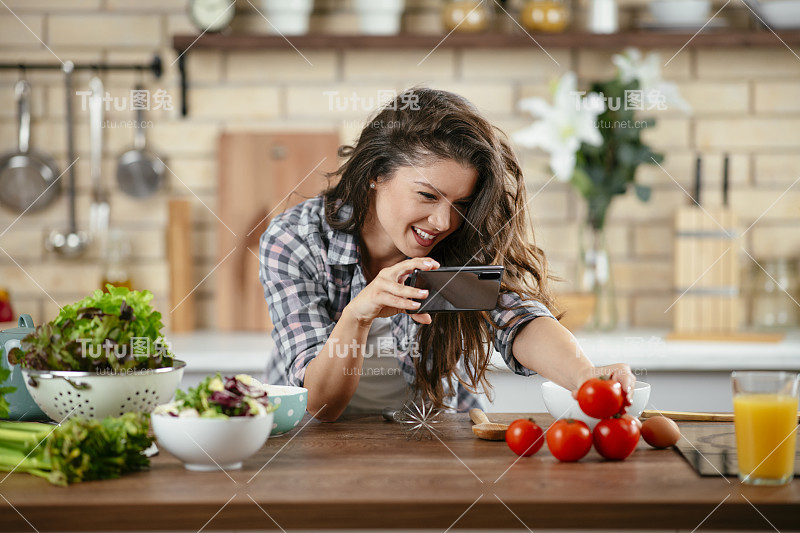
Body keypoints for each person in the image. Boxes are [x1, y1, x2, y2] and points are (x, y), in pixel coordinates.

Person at [260, 88, 634, 422]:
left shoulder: (466, 236)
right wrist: (359, 315)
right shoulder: (296, 238)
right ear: (375, 172)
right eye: (427, 195)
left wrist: (585, 377)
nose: (443, 222)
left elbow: (517, 317)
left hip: (433, 433)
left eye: (462, 203)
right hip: (309, 440)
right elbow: (320, 405)